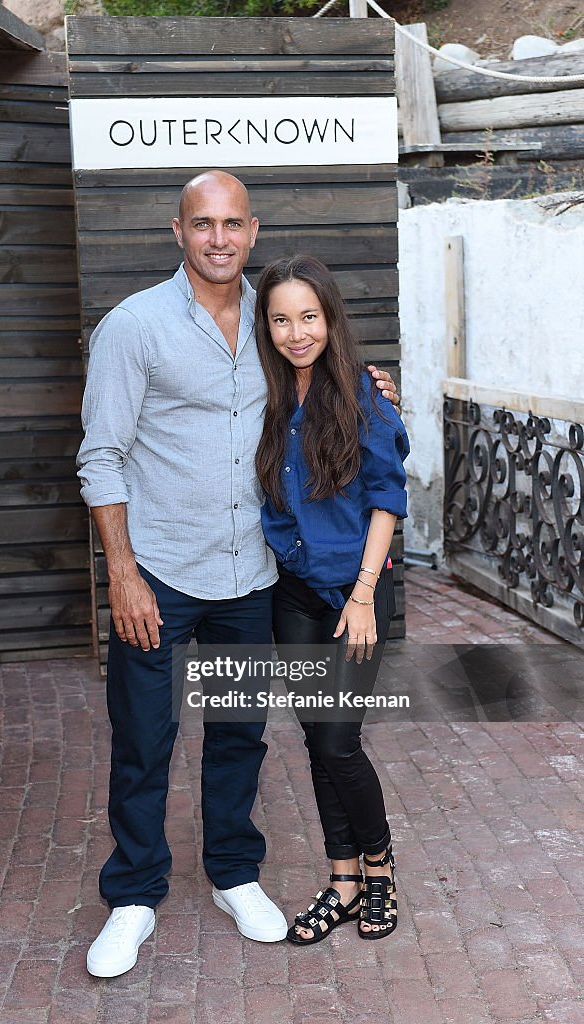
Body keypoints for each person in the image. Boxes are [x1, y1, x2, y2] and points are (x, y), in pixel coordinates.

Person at [76, 170, 401, 976]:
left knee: (238, 737)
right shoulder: (134, 327)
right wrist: (121, 572)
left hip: (253, 578)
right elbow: (101, 455)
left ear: (252, 231)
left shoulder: (275, 319)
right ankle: (135, 894)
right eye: (201, 224)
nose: (218, 239)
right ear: (177, 231)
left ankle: (233, 873)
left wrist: (374, 387)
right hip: (162, 574)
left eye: (231, 225)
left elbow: (332, 384)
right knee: (145, 741)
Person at [254, 254, 409, 944]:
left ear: (330, 318)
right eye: (281, 319)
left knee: (341, 743)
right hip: (293, 594)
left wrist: (367, 592)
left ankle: (380, 868)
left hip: (356, 592)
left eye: (308, 317)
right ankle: (342, 880)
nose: (296, 332)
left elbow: (387, 496)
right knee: (318, 741)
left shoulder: (364, 393)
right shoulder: (262, 393)